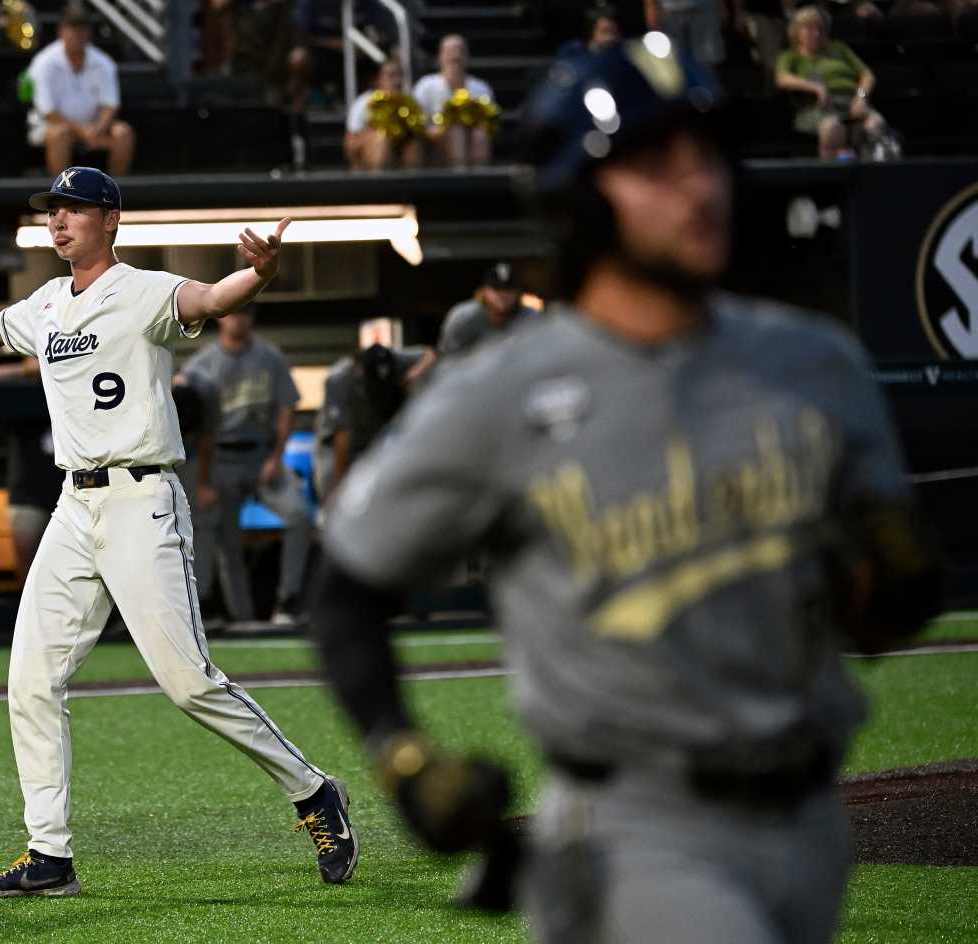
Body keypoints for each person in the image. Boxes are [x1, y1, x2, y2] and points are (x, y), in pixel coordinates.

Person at [311, 38, 942, 943]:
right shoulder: (505, 393)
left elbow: (860, 621)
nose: (698, 186)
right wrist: (404, 760)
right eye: (654, 164)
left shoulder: (815, 365)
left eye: (705, 155)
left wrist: (894, 592)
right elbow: (344, 590)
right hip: (634, 835)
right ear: (580, 199)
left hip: (811, 822)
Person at [0, 166, 356, 896]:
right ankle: (50, 856)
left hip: (143, 499)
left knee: (189, 684)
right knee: (30, 680)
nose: (59, 220)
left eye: (74, 208)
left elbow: (207, 297)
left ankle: (313, 791)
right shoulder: (47, 303)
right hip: (74, 508)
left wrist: (257, 275)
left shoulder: (142, 292)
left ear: (111, 219)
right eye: (54, 210)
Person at [183, 305, 313, 625]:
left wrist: (276, 457)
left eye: (245, 313)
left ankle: (288, 600)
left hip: (263, 456)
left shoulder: (270, 357)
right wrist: (203, 480)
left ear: (252, 318)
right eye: (233, 313)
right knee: (228, 541)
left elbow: (286, 408)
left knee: (298, 514)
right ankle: (243, 619)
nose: (238, 319)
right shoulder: (202, 364)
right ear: (221, 317)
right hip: (221, 458)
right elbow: (192, 416)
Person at [0, 356, 63, 587]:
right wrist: (27, 369)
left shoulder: (71, 377)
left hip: (73, 488)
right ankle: (32, 618)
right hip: (28, 490)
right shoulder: (22, 382)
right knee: (27, 559)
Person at [27, 3, 134, 177]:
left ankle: (113, 194)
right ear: (61, 31)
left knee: (123, 132)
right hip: (52, 127)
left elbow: (110, 105)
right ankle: (61, 197)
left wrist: (97, 128)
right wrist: (83, 131)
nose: (78, 34)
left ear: (89, 32)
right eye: (73, 28)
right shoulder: (44, 63)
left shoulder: (103, 62)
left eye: (82, 28)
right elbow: (48, 112)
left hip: (95, 128)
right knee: (59, 133)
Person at [775, 6, 886, 160]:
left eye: (820, 29)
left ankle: (869, 176)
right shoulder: (790, 56)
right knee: (833, 129)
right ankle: (835, 178)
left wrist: (861, 97)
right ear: (796, 32)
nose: (816, 34)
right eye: (809, 29)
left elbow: (867, 75)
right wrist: (815, 87)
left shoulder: (839, 49)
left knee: (875, 124)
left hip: (853, 102)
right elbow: (782, 79)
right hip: (817, 106)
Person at [314, 343, 417, 502]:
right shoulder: (339, 379)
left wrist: (411, 376)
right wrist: (340, 489)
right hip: (334, 448)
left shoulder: (396, 359)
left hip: (369, 443)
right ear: (360, 370)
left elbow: (434, 353)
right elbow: (342, 438)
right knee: (335, 501)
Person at [405, 262, 536, 386]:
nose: (502, 295)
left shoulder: (531, 318)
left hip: (517, 381)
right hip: (471, 381)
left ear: (518, 292)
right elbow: (447, 357)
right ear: (485, 291)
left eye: (508, 289)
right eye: (496, 289)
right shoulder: (464, 316)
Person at [171, 368, 221, 617]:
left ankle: (202, 601)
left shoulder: (194, 386)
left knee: (199, 526)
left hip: (185, 461)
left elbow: (205, 437)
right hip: (146, 467)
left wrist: (203, 483)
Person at [413, 34, 496, 168]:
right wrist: (438, 131)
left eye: (460, 50)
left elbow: (489, 124)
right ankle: (459, 182)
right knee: (456, 132)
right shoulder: (426, 85)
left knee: (479, 134)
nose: (455, 56)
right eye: (449, 51)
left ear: (467, 56)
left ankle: (481, 180)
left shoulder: (481, 88)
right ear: (440, 57)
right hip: (433, 142)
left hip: (472, 140)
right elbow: (415, 124)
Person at [344, 57, 423, 171]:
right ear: (379, 79)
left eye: (400, 75)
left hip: (401, 153)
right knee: (383, 139)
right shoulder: (365, 102)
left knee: (414, 143)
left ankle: (414, 185)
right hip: (373, 154)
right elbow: (350, 143)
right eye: (391, 75)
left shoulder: (410, 103)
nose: (397, 81)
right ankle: (380, 185)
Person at [644, 0, 725, 68]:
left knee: (707, 58)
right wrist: (652, 14)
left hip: (703, 9)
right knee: (675, 59)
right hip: (670, 13)